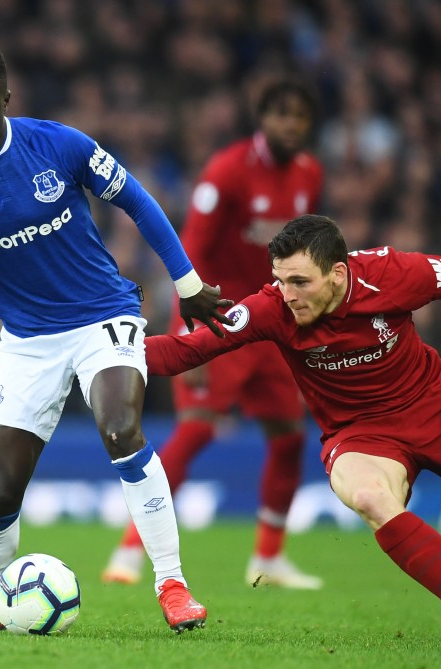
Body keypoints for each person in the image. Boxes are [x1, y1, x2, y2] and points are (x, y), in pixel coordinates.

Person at [0, 42, 233, 634]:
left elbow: (137, 200)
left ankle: (172, 583)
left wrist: (186, 284)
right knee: (1, 487)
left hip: (103, 315)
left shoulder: (59, 145)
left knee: (120, 427)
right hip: (27, 339)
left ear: (6, 100)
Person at [141, 213, 441, 646]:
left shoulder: (392, 273)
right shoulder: (272, 307)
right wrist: (105, 354)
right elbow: (190, 350)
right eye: (280, 280)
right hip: (358, 434)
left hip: (435, 405)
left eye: (299, 282)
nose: (286, 294)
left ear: (338, 274)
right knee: (373, 499)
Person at [103, 77, 324, 590]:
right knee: (198, 426)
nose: (291, 124)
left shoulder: (310, 174)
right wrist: (188, 326)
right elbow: (193, 248)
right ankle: (132, 549)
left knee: (290, 437)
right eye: (282, 113)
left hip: (275, 322)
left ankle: (268, 559)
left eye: (300, 116)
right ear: (262, 117)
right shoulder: (226, 172)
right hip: (222, 318)